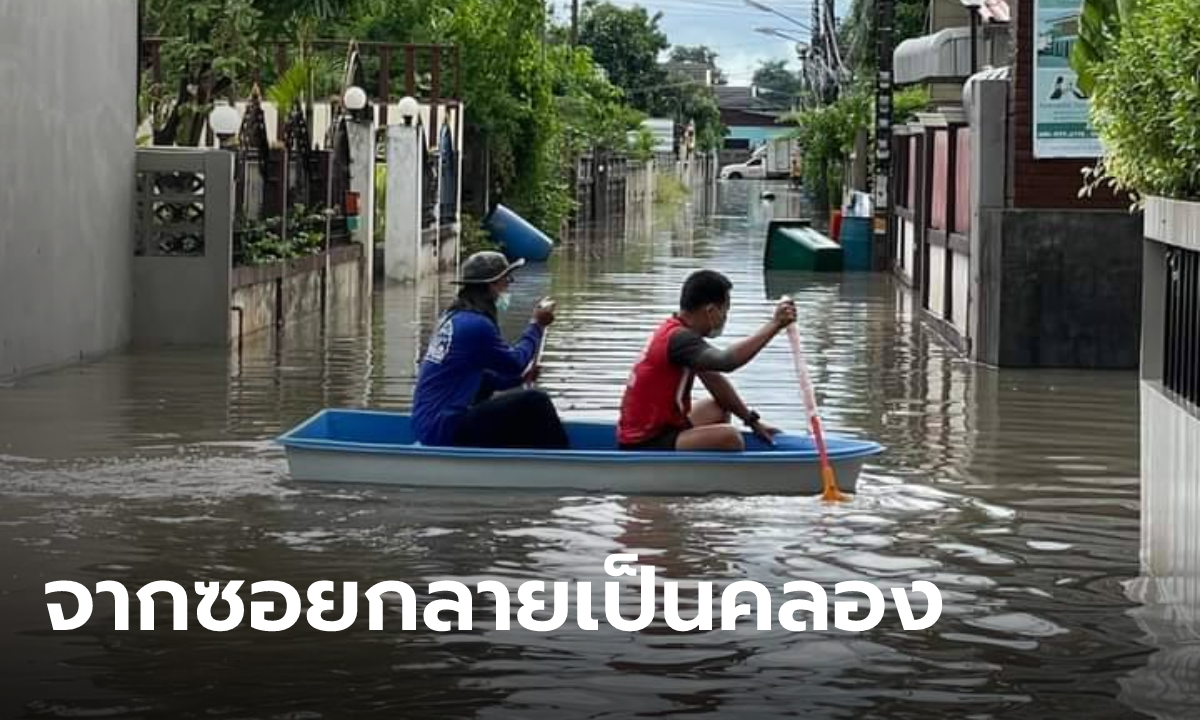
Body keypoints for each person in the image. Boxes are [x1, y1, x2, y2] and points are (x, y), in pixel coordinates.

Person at [617, 269, 797, 452]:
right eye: (725, 311)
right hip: (646, 441)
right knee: (730, 438)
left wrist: (752, 421)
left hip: (663, 427)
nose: (725, 319)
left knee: (719, 406)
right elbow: (726, 361)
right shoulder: (680, 339)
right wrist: (774, 325)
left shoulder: (678, 332)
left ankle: (701, 462)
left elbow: (715, 380)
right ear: (711, 311)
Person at [411, 251, 569, 449]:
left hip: (429, 424)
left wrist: (521, 379)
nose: (509, 284)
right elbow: (514, 364)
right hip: (444, 428)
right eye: (506, 279)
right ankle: (562, 463)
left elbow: (484, 380)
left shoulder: (451, 317)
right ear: (491, 285)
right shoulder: (476, 325)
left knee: (515, 409)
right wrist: (536, 325)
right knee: (536, 401)